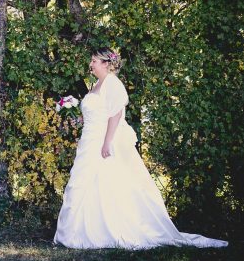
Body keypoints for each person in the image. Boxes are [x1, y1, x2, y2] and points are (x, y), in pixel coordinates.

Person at [54, 47, 227, 249]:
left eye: (94, 61)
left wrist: (106, 142)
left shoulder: (113, 83)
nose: (90, 64)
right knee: (84, 183)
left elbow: (116, 115)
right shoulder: (96, 84)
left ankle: (109, 230)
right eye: (91, 60)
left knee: (107, 182)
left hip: (102, 139)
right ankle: (80, 231)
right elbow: (99, 111)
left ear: (106, 64)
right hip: (89, 138)